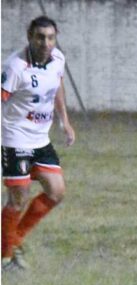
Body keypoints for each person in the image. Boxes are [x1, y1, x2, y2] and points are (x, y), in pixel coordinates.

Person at [2, 16, 75, 271]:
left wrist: (65, 121)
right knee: (18, 199)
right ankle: (5, 259)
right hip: (15, 139)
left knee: (56, 192)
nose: (46, 43)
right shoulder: (15, 67)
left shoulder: (58, 59)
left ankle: (13, 240)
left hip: (40, 140)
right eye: (40, 37)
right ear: (30, 37)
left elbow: (57, 86)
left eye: (51, 38)